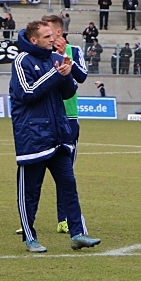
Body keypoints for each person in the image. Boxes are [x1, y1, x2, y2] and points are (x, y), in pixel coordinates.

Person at [10, 20, 100, 252]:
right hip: (32, 137)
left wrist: (67, 75)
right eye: (47, 36)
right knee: (30, 191)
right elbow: (27, 93)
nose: (53, 39)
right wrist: (54, 75)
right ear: (34, 40)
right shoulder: (22, 61)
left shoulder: (57, 59)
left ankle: (78, 233)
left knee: (69, 185)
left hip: (59, 135)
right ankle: (30, 237)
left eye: (53, 35)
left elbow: (68, 92)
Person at [42, 14, 89, 235]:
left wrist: (64, 58)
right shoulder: (40, 54)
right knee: (35, 170)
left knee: (66, 172)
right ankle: (28, 219)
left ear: (58, 32)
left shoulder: (75, 51)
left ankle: (64, 219)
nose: (45, 35)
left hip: (68, 118)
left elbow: (82, 77)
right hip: (44, 118)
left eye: (48, 30)